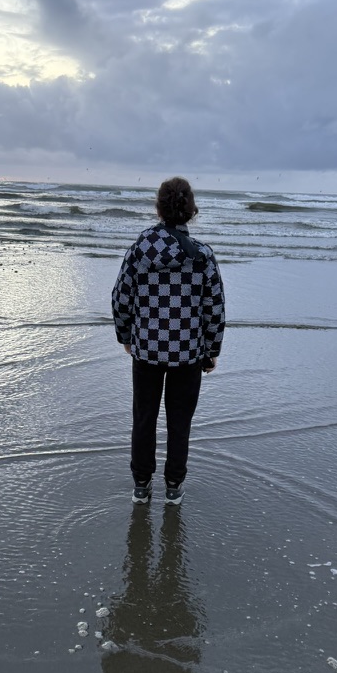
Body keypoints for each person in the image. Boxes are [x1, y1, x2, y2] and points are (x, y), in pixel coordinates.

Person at [112, 177, 225, 505]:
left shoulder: (141, 248)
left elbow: (121, 296)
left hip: (147, 349)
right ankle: (174, 486)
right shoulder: (202, 255)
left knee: (144, 417)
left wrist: (126, 336)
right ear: (191, 211)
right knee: (180, 422)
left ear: (158, 208)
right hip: (188, 353)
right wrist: (211, 350)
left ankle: (141, 485)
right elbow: (213, 307)